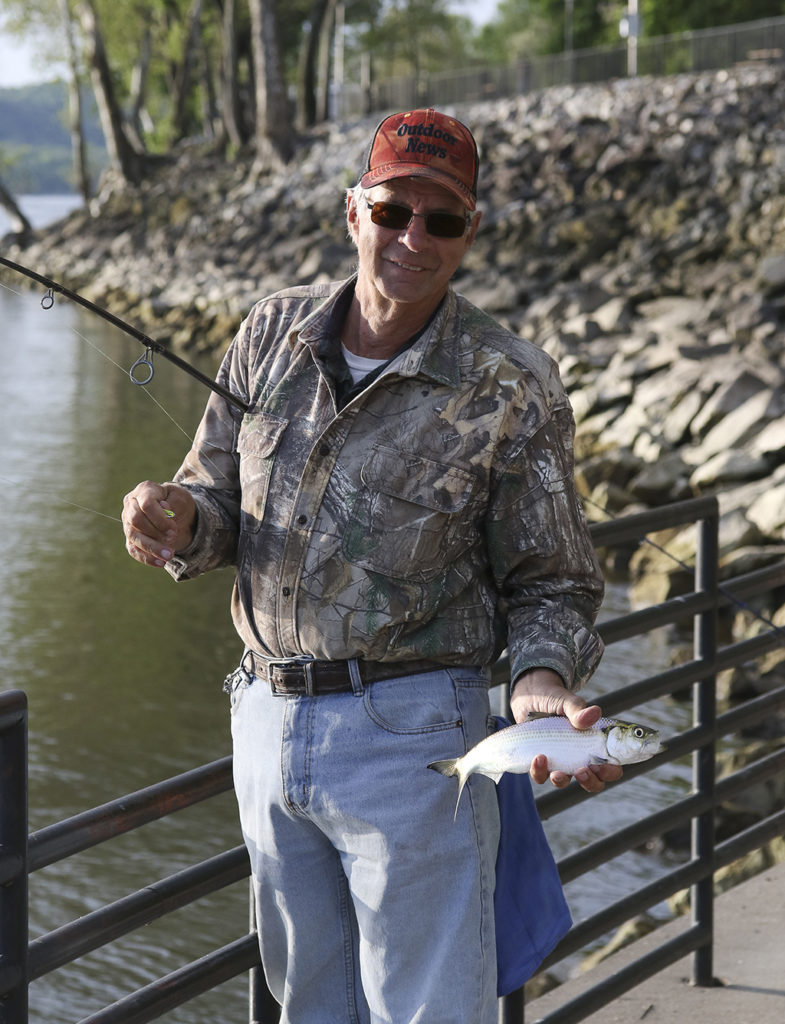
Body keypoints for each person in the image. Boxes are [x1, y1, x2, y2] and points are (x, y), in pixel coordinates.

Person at [121, 107, 621, 1024]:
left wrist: (539, 680)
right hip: (265, 725)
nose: (412, 238)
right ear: (353, 211)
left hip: (416, 743)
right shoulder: (271, 333)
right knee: (308, 1007)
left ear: (470, 234)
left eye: (444, 220)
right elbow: (217, 505)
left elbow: (553, 581)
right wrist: (176, 516)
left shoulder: (510, 381)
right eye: (393, 210)